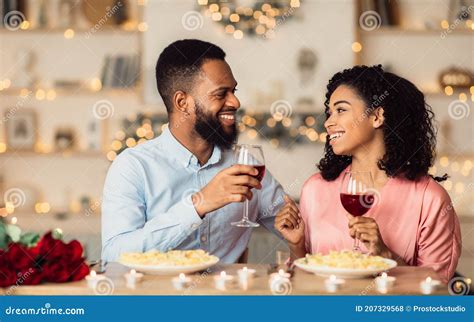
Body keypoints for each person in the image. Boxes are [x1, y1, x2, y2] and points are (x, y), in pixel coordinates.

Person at [102, 39, 285, 263]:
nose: (235, 102)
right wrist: (198, 204)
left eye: (233, 91)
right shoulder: (133, 167)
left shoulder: (245, 164)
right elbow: (113, 255)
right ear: (182, 102)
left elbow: (295, 225)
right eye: (221, 94)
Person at [275, 65, 461, 283]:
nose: (328, 122)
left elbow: (435, 292)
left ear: (376, 116)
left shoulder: (430, 199)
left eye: (341, 110)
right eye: (329, 112)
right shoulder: (315, 189)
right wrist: (297, 246)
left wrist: (385, 255)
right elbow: (303, 282)